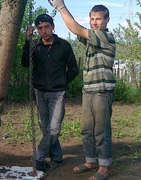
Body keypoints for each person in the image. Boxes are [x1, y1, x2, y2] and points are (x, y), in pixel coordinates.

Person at [51, 1, 116, 180]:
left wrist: (60, 6)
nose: (94, 22)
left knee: (101, 130)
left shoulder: (106, 37)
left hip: (102, 91)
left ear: (107, 20)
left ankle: (103, 167)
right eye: (92, 19)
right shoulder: (92, 38)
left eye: (99, 19)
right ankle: (90, 161)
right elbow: (76, 28)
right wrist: (63, 10)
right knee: (86, 129)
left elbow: (77, 29)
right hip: (88, 90)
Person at [21, 14, 79, 172]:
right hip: (39, 92)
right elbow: (25, 63)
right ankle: (57, 157)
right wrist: (27, 41)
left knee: (54, 129)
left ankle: (38, 156)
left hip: (57, 93)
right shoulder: (34, 45)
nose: (44, 30)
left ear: (53, 26)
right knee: (46, 127)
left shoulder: (63, 45)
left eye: (47, 27)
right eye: (40, 28)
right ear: (37, 30)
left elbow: (74, 69)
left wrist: (62, 81)